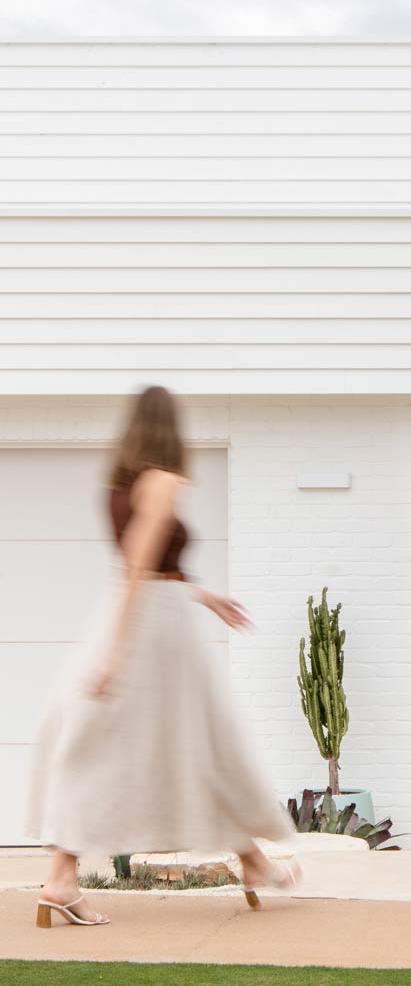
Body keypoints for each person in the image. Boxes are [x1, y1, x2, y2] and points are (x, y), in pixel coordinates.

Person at [27, 385, 296, 927]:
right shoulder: (165, 481)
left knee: (141, 745)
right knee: (195, 744)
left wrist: (202, 593)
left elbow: (147, 572)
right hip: (154, 633)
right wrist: (116, 654)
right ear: (170, 430)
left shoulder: (116, 487)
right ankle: (253, 861)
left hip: (142, 617)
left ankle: (250, 860)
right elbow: (139, 567)